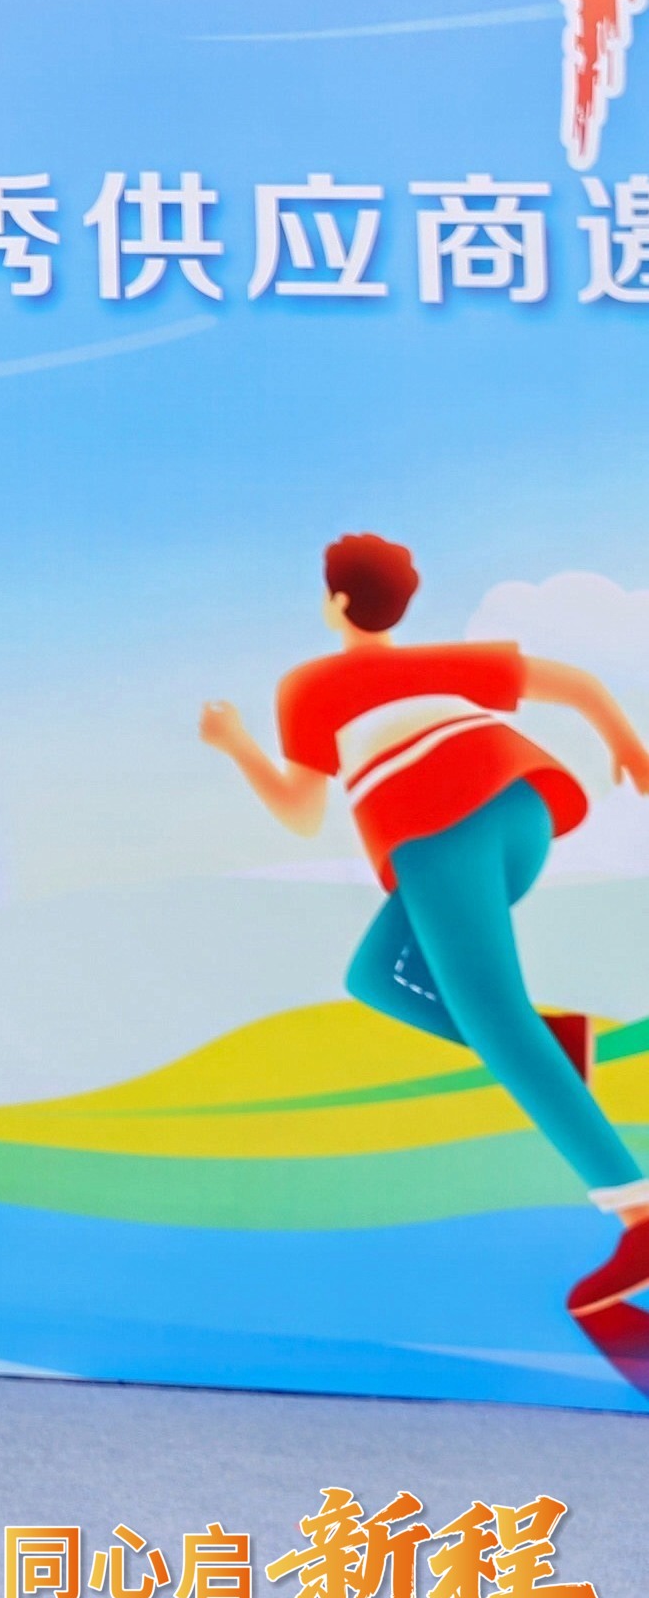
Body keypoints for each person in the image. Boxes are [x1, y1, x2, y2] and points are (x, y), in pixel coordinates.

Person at [201, 531, 649, 1319]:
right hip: (521, 817)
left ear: (337, 602)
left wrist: (235, 745)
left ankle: (636, 1215)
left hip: (441, 825)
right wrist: (628, 750)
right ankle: (552, 1047)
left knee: (494, 1016)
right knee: (373, 975)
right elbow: (576, 684)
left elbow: (299, 813)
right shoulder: (439, 663)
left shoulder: (308, 685)